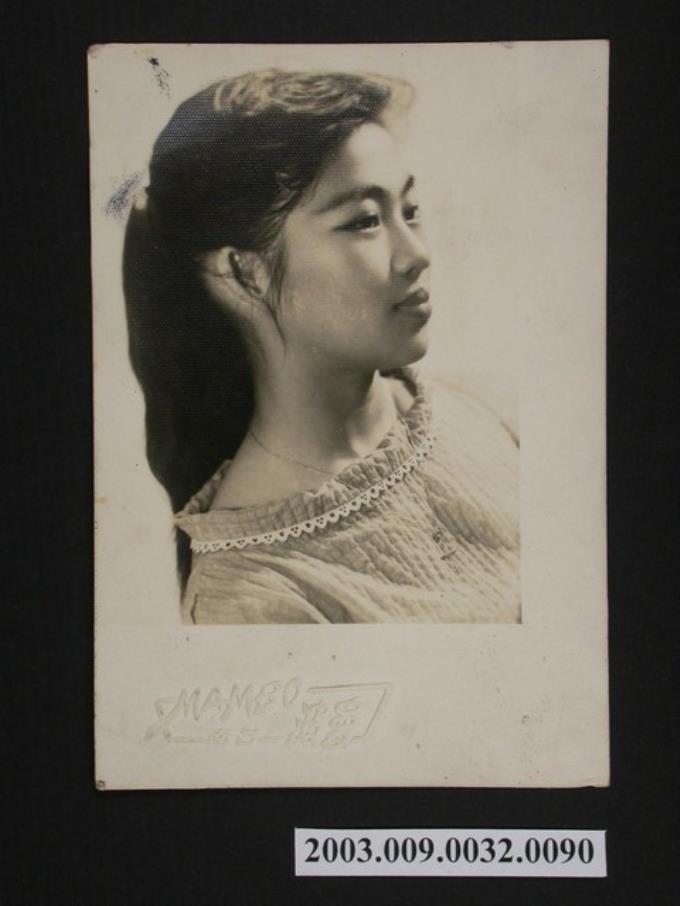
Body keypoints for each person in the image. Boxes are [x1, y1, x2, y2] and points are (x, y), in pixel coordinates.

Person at [123, 68, 520, 624]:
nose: (417, 254)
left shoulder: (485, 412)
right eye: (364, 221)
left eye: (409, 211)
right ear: (242, 273)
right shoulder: (254, 598)